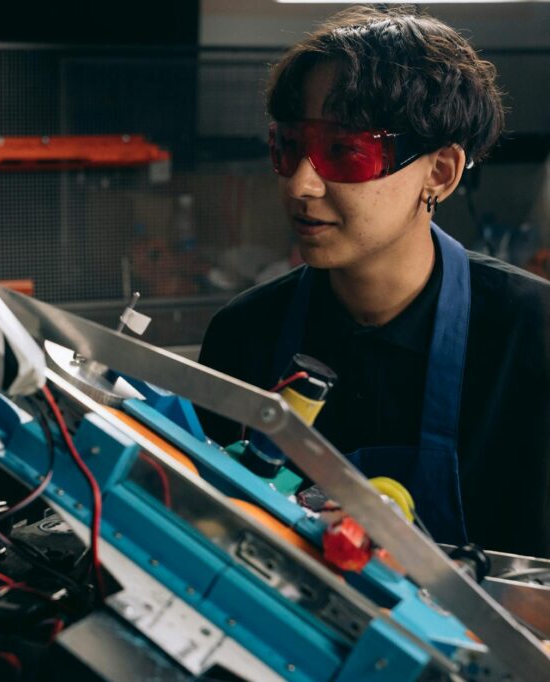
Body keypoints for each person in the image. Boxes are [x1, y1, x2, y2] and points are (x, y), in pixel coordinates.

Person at [198, 7, 550, 557]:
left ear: (440, 173)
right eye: (289, 147)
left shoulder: (530, 335)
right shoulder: (245, 335)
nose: (300, 185)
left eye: (344, 151)